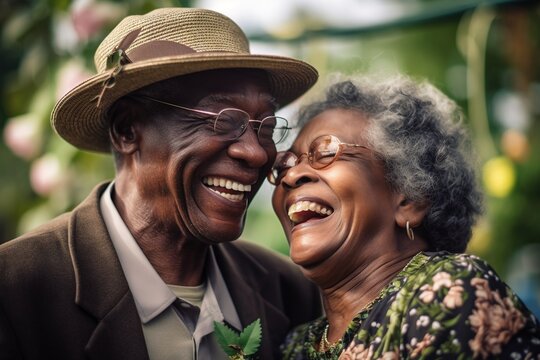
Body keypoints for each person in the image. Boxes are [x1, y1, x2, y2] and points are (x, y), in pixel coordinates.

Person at [0, 8, 322, 360]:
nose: (257, 153)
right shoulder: (16, 288)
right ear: (126, 129)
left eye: (265, 126)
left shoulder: (289, 291)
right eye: (222, 120)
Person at [269, 74, 540, 359]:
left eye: (325, 152)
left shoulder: (445, 291)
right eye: (286, 163)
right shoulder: (295, 346)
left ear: (409, 198)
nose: (292, 175)